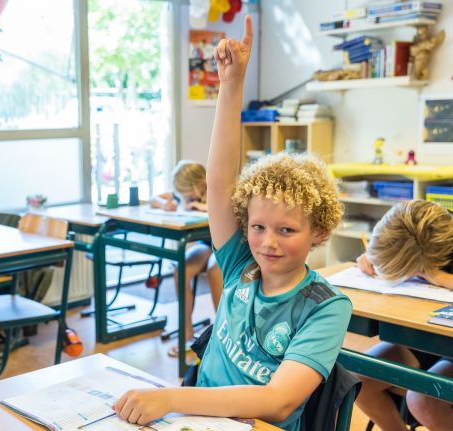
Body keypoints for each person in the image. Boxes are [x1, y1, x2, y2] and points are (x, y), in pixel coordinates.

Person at [113, 16, 351, 431]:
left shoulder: (326, 307)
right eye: (258, 227)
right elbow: (220, 182)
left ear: (320, 233)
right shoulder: (241, 261)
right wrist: (231, 85)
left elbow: (278, 402)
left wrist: (170, 397)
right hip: (193, 419)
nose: (267, 242)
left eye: (287, 230)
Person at [355, 199, 453, 431]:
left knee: (424, 399)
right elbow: (383, 252)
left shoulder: (441, 240)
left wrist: (443, 279)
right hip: (422, 338)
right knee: (359, 378)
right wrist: (371, 257)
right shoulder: (408, 228)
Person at [150, 160, 223, 356]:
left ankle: (221, 336)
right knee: (181, 269)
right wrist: (165, 204)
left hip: (224, 245)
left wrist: (205, 207)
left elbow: (231, 211)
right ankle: (187, 335)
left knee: (214, 270)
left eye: (189, 192)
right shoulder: (182, 195)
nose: (187, 197)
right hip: (205, 244)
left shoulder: (217, 189)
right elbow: (154, 198)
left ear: (199, 185)